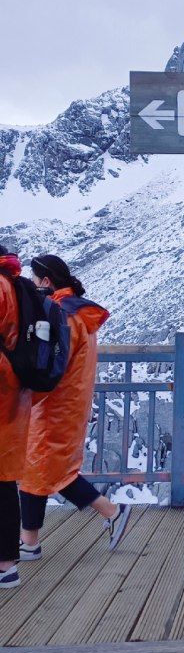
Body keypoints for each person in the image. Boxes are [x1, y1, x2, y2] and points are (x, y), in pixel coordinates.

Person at [18, 254, 132, 557]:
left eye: (33, 278)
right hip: (71, 403)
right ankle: (29, 542)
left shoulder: (61, 314)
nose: (31, 284)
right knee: (44, 469)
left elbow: (51, 364)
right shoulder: (79, 313)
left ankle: (112, 512)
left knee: (46, 469)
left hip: (54, 405)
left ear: (45, 281)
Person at [0, 246, 32, 589]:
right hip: (12, 394)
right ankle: (7, 561)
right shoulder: (14, 283)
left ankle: (6, 564)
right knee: (4, 480)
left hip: (3, 390)